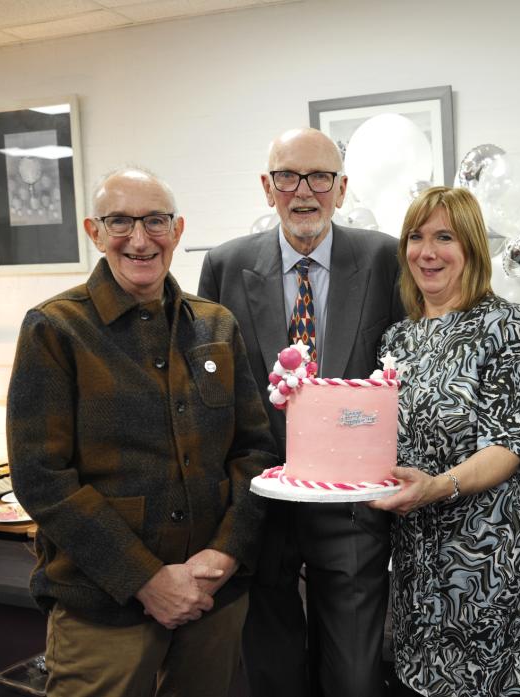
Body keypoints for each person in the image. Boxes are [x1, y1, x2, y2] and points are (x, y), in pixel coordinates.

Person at [7, 167, 277, 697]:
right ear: (94, 231)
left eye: (154, 221)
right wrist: (146, 580)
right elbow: (42, 478)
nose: (139, 238)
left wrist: (225, 554)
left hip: (213, 595)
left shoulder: (216, 324)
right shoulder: (55, 328)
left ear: (176, 230)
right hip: (103, 604)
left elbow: (255, 451)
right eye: (120, 222)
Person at [198, 128, 403, 697]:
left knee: (355, 677)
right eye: (287, 176)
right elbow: (213, 388)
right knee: (273, 670)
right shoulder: (224, 264)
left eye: (320, 177)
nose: (304, 191)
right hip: (261, 502)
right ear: (267, 188)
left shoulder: (386, 258)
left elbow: (405, 370)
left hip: (353, 507)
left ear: (341, 188)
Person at [369, 186, 520, 696]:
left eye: (445, 236)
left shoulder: (503, 324)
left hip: (483, 567)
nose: (428, 251)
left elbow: (509, 444)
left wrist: (436, 486)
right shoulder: (396, 338)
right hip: (414, 570)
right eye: (416, 237)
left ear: (471, 248)